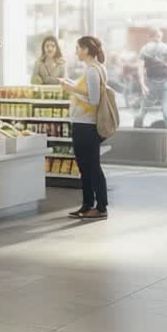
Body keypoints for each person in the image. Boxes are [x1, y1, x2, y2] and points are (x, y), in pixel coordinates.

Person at [60, 36, 109, 220]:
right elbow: (90, 93)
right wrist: (72, 86)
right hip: (85, 124)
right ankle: (88, 205)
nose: (76, 52)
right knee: (86, 167)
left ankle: (101, 207)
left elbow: (94, 100)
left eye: (78, 48)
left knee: (91, 167)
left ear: (87, 50)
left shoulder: (92, 71)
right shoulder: (97, 69)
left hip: (86, 125)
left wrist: (71, 89)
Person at [135, 28, 167, 129]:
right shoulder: (166, 48)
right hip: (166, 82)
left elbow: (140, 69)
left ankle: (136, 130)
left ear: (150, 37)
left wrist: (142, 85)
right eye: (160, 36)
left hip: (151, 82)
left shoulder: (144, 49)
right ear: (159, 36)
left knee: (143, 109)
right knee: (166, 109)